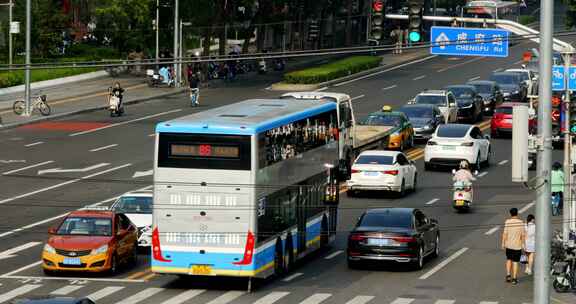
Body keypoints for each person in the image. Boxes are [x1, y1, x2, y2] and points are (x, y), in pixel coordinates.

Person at [501, 207, 525, 285]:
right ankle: (514, 278)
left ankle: (508, 275)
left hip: (509, 245)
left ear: (510, 214)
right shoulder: (521, 223)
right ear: (517, 213)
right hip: (517, 246)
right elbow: (523, 235)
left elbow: (505, 234)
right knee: (515, 262)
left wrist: (503, 243)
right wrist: (523, 245)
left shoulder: (507, 222)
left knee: (509, 260)